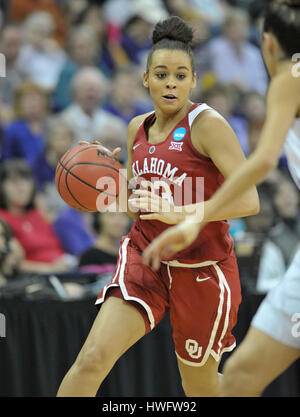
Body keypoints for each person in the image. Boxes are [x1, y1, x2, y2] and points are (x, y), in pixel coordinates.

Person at [57, 16, 258, 397]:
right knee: (91, 360)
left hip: (202, 267)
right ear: (146, 79)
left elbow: (249, 200)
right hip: (145, 257)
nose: (171, 83)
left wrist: (180, 212)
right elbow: (138, 205)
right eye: (162, 74)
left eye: (181, 75)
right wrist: (110, 188)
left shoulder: (208, 125)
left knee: (197, 386)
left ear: (193, 81)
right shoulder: (137, 128)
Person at [143, 1, 300, 397]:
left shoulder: (289, 76)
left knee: (240, 378)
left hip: (207, 264)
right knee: (241, 378)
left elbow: (263, 160)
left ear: (266, 44)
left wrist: (196, 216)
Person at [0, 159, 76, 275]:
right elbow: (12, 264)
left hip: (64, 269)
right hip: (36, 278)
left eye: (26, 180)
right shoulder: (3, 219)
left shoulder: (38, 213)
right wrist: (50, 269)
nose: (22, 188)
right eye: (14, 182)